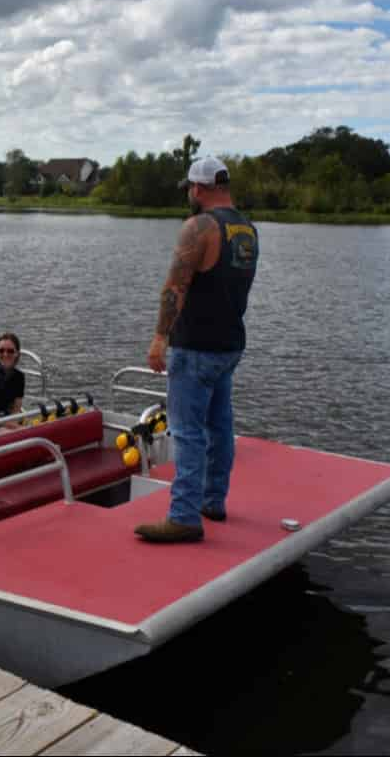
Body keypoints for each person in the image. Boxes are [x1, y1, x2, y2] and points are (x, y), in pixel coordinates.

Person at [136, 156, 259, 544]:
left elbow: (175, 287)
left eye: (191, 187)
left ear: (200, 188)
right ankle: (213, 500)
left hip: (196, 347)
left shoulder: (198, 227)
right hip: (229, 345)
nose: (189, 193)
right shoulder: (247, 228)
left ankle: (184, 516)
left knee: (187, 433)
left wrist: (160, 337)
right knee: (220, 427)